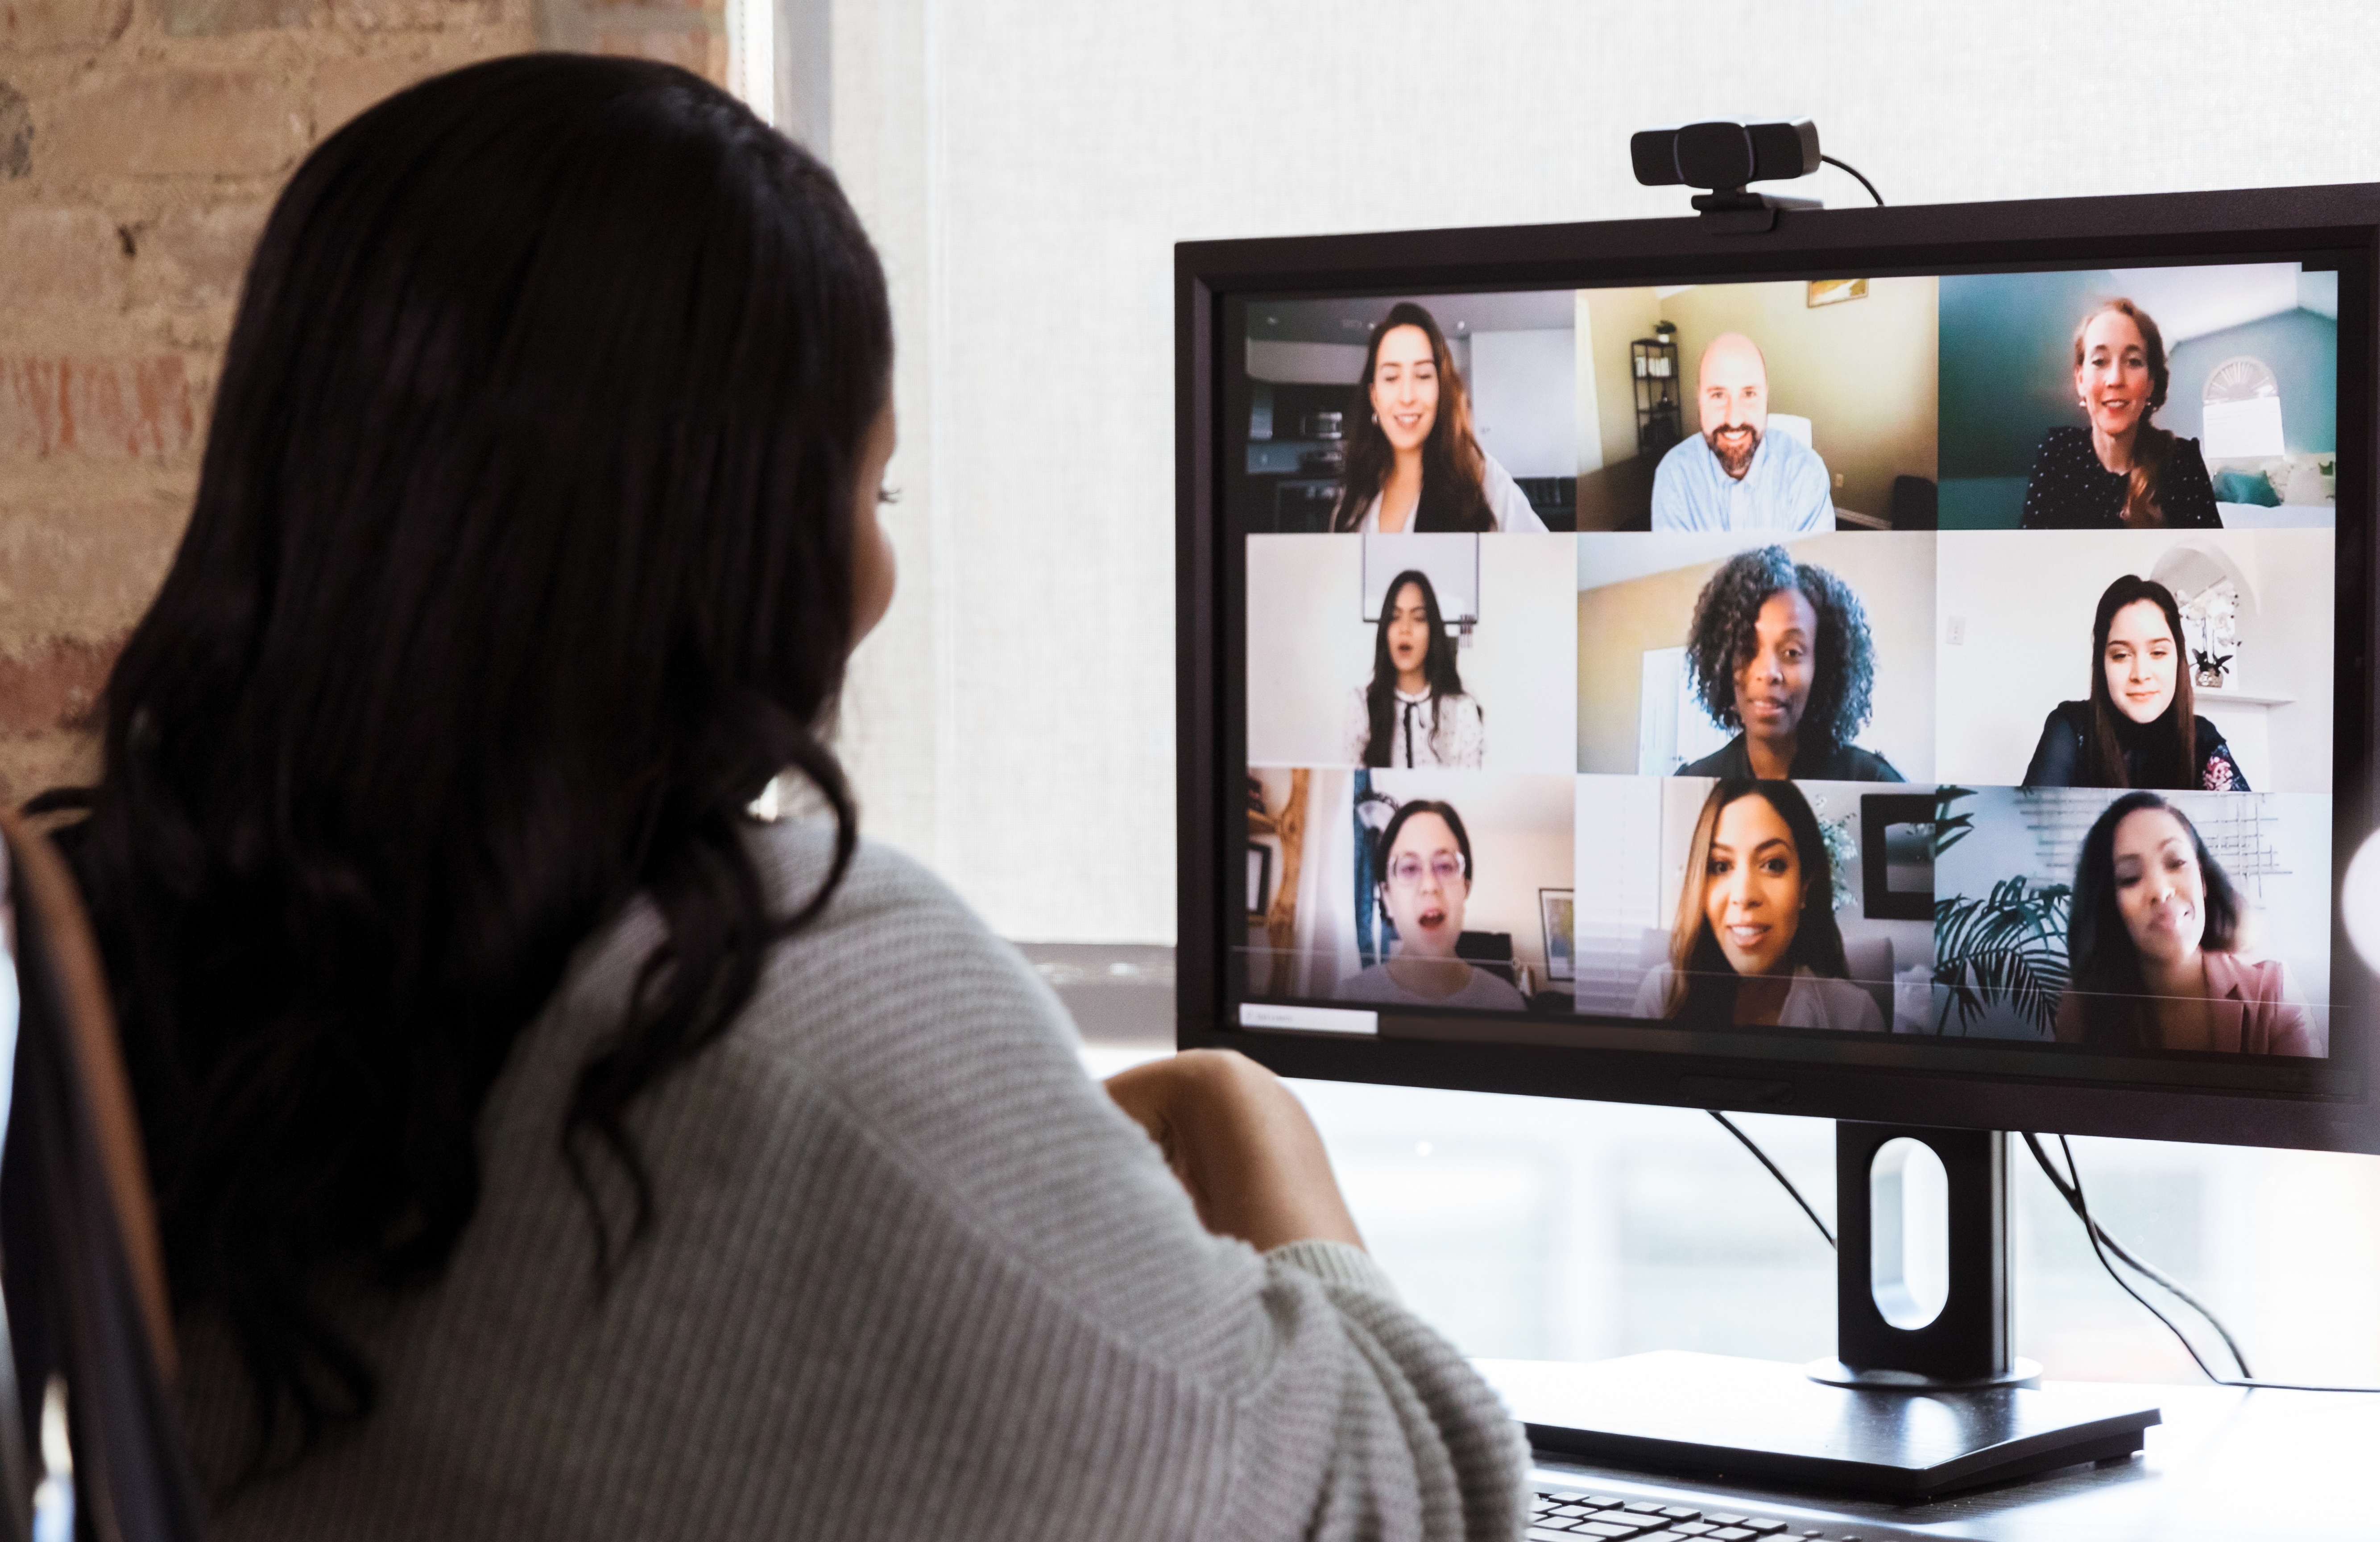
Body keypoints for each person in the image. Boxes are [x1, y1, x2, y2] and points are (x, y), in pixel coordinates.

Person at [25, 56, 1523, 1540]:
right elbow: (1428, 1501)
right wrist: (1236, 1109)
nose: (878, 578)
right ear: (728, 535)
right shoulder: (779, 982)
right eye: (868, 495)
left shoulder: (129, 945)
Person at [2053, 792, 2321, 1056]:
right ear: (2109, 905)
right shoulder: (2081, 1007)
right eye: (2130, 877)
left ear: (2203, 880)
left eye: (2177, 862)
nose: (2161, 890)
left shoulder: (2272, 993)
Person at [1630, 779, 1883, 1032]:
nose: (1744, 896)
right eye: (1721, 866)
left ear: (1805, 886)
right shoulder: (1663, 996)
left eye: (1773, 865)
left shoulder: (1856, 1016)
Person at [1674, 544, 1904, 782]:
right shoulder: (1692, 782)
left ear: (1822, 667)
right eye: (1748, 650)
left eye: (1792, 653)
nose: (1768, 673)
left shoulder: (1875, 782)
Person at [1329, 302, 1547, 534]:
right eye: (1391, 378)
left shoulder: (1480, 479)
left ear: (1441, 390)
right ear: (1374, 397)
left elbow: (1550, 562)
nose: (1407, 397)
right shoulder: (1355, 495)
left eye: (1423, 376)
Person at [2023, 574, 2250, 791]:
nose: (2141, 674)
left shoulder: (2202, 739)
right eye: (2121, 655)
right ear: (2102, 663)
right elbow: (2028, 822)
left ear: (2179, 659)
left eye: (2159, 653)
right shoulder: (2070, 728)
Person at [2018, 298, 2224, 530]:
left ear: (2150, 384)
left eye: (2134, 362)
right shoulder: (2058, 451)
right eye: (2099, 361)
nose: (2116, 379)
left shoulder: (2183, 462)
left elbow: (2205, 562)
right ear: (2080, 380)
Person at [1335, 800, 1527, 1011]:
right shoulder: (1347, 1001)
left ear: (1466, 888)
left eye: (1445, 866)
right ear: (1387, 898)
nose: (1429, 886)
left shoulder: (1507, 1004)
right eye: (1409, 869)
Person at [1648, 332, 1836, 534]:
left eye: (1749, 394)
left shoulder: (1807, 474)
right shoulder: (1674, 476)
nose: (1734, 419)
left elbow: (1811, 564)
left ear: (1766, 396)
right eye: (1718, 395)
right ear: (1699, 399)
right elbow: (1677, 564)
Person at [1342, 568, 1485, 768]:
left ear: (1432, 631)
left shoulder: (1462, 710)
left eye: (1418, 618)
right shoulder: (1361, 706)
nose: (1405, 628)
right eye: (1395, 617)